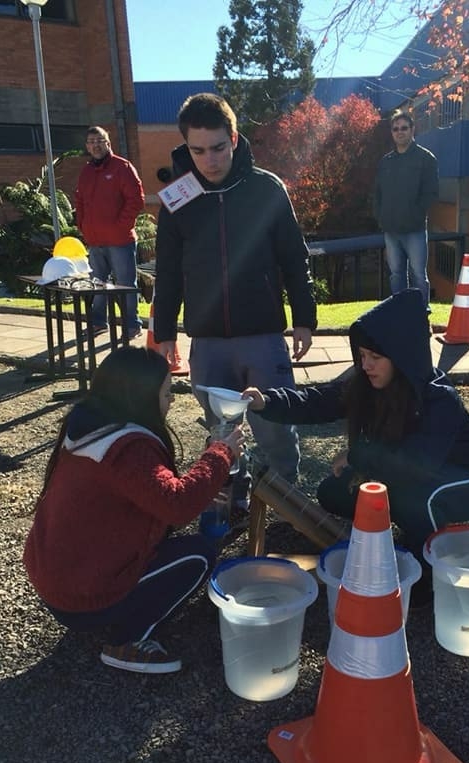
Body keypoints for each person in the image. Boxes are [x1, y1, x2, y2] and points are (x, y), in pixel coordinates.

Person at [243, 289, 469, 601]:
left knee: (418, 499)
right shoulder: (368, 384)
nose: (366, 365)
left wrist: (358, 455)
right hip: (416, 469)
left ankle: (429, 575)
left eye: (375, 358)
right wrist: (267, 402)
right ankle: (406, 531)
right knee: (334, 491)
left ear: (403, 356)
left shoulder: (438, 399)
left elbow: (417, 465)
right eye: (363, 356)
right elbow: (318, 401)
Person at [23, 346, 245, 675]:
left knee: (179, 545)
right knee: (199, 555)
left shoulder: (89, 428)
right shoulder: (126, 448)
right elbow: (177, 504)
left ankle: (103, 607)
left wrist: (209, 462)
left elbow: (154, 489)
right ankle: (128, 641)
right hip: (81, 596)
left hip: (57, 583)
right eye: (167, 392)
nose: (171, 401)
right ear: (139, 396)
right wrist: (220, 455)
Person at [152, 93, 317, 518]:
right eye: (198, 150)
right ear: (186, 146)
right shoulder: (177, 198)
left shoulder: (266, 188)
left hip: (262, 334)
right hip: (207, 340)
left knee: (274, 427)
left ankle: (286, 505)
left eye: (219, 147)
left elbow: (293, 257)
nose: (210, 159)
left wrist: (304, 318)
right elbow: (168, 271)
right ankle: (231, 499)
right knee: (221, 433)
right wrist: (166, 332)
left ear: (234, 137)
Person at [74, 126, 145, 339]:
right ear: (87, 146)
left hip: (120, 241)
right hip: (95, 241)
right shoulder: (86, 171)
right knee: (97, 284)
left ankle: (132, 325)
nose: (95, 145)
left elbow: (136, 200)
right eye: (91, 141)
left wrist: (120, 226)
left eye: (99, 140)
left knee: (124, 284)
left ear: (108, 143)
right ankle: (98, 323)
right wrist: (83, 225)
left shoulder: (122, 167)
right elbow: (80, 200)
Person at [373, 110, 439, 308]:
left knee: (418, 275)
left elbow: (431, 193)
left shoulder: (426, 159)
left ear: (412, 129)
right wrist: (381, 217)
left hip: (415, 229)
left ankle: (421, 315)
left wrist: (415, 216)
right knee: (396, 275)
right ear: (391, 132)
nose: (399, 132)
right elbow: (377, 193)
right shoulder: (386, 162)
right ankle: (401, 316)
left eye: (404, 128)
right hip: (391, 230)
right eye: (395, 129)